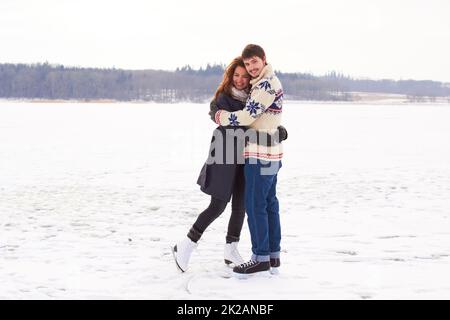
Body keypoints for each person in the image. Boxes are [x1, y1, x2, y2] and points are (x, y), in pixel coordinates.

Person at [172, 57, 287, 272]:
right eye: (236, 75)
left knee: (241, 206)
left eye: (245, 75)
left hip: (245, 154)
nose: (241, 80)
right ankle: (186, 245)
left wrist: (277, 129)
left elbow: (259, 120)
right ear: (229, 76)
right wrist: (271, 133)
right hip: (224, 152)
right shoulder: (223, 100)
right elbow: (241, 125)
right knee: (218, 204)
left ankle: (231, 248)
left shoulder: (253, 98)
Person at [214, 44, 284, 275]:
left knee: (255, 205)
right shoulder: (268, 81)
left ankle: (260, 257)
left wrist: (223, 117)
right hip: (271, 153)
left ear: (264, 60)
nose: (251, 67)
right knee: (269, 203)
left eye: (255, 62)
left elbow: (248, 115)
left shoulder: (264, 85)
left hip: (260, 155)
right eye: (247, 63)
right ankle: (272, 255)